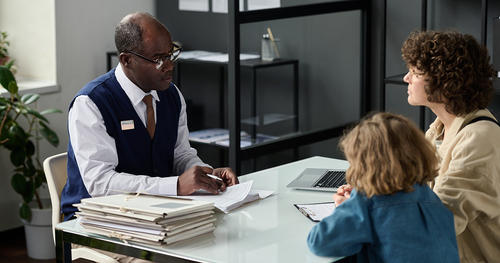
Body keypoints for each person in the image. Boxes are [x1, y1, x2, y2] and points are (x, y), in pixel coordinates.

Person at [61, 12, 238, 221]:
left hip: (155, 213)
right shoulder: (90, 103)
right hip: (97, 219)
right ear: (127, 60)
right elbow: (100, 183)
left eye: (170, 54)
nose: (170, 65)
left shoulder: (171, 95)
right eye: (158, 59)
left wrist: (205, 176)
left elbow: (180, 154)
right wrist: (176, 185)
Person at [307, 112, 459, 262]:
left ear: (364, 164)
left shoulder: (368, 203)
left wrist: (346, 208)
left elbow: (318, 242)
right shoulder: (430, 198)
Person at [401, 31, 500, 262]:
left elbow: (436, 221)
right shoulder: (439, 130)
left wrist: (363, 214)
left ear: (444, 82)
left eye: (415, 73)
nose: (406, 78)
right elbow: (416, 192)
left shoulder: (480, 140)